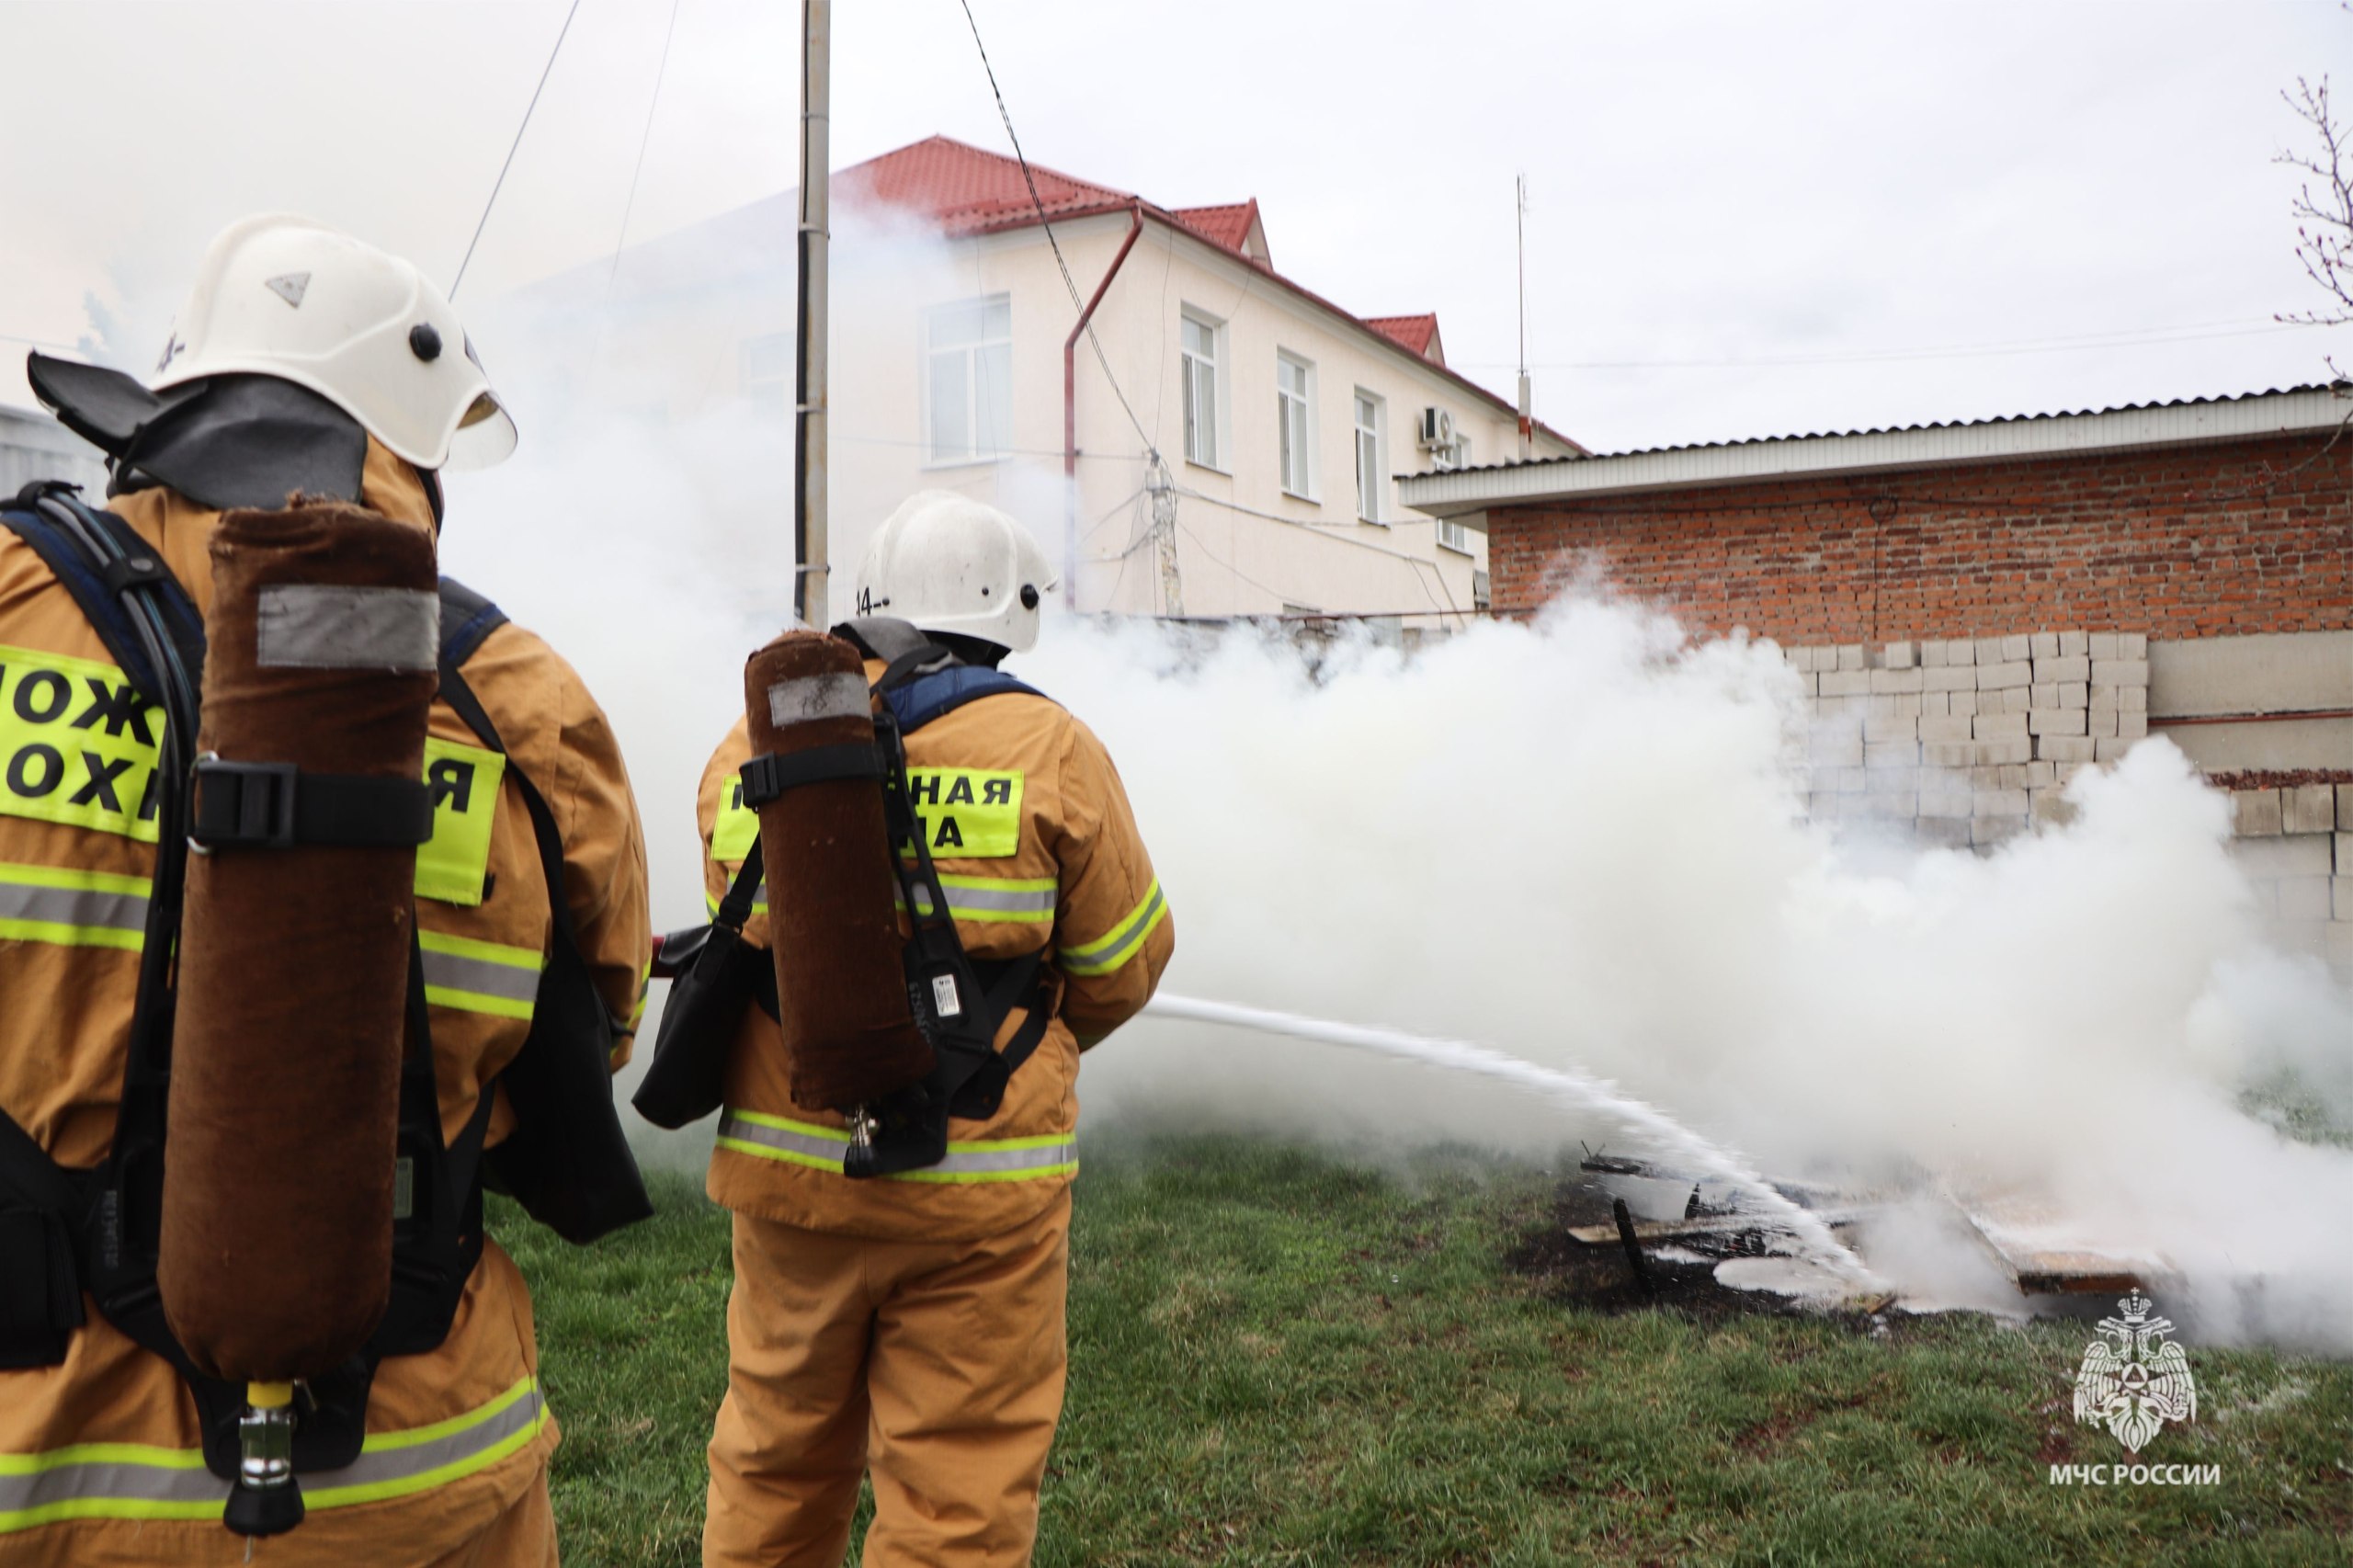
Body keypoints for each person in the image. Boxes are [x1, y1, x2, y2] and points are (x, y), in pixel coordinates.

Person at [0, 214, 651, 1565]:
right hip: (414, 1479)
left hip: (38, 1475)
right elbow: (588, 1038)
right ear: (403, 440)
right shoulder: (514, 698)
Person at [696, 491, 1174, 1567]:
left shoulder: (754, 739)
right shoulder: (1047, 744)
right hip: (983, 1187)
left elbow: (747, 923)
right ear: (1008, 615)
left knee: (773, 1457)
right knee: (958, 1491)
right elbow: (1123, 964)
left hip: (793, 1176)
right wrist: (1003, 1047)